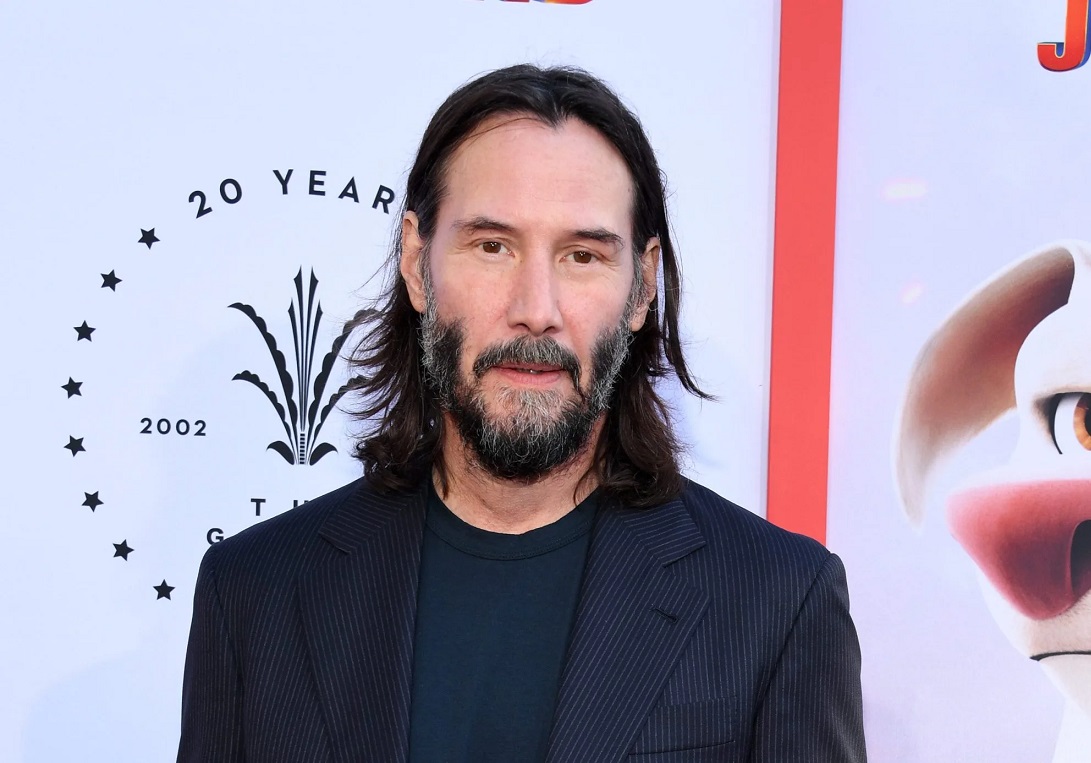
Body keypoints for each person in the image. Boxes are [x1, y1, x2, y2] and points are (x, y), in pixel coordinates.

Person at [177, 64, 866, 762]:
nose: (535, 308)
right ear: (417, 264)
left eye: (582, 256)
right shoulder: (255, 591)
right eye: (492, 246)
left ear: (641, 287)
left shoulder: (777, 602)